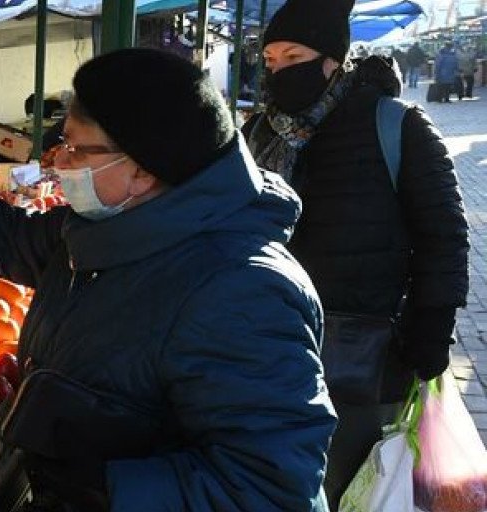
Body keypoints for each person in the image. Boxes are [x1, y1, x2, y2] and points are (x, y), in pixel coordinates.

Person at [0, 48, 336, 511]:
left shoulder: (242, 294)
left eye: (75, 149)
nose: (59, 163)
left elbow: (270, 488)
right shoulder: (114, 226)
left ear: (144, 170)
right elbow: (13, 238)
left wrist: (105, 488)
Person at [243, 0, 469, 509]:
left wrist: (432, 325)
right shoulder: (258, 133)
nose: (280, 70)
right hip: (265, 345)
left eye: (293, 55)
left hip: (363, 355)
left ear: (331, 60)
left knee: (352, 482)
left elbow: (445, 234)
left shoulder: (397, 125)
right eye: (272, 60)